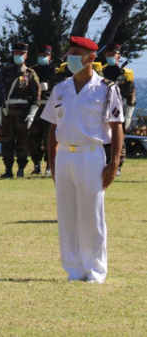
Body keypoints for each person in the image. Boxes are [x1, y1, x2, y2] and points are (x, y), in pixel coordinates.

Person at [41, 36, 123, 284]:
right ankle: (74, 270)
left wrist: (114, 163)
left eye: (76, 52)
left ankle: (96, 271)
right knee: (67, 215)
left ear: (91, 57)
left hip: (91, 154)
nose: (71, 57)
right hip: (65, 155)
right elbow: (52, 128)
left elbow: (117, 126)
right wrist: (53, 163)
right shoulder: (61, 88)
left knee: (92, 216)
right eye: (70, 52)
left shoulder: (107, 88)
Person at [0, 43, 41, 178]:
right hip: (8, 111)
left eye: (20, 54)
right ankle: (8, 169)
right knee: (6, 141)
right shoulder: (6, 71)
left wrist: (31, 114)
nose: (17, 56)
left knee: (22, 141)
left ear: (26, 56)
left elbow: (36, 96)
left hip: (23, 112)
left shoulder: (30, 74)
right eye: (15, 53)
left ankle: (21, 169)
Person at [102, 43, 136, 176]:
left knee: (118, 138)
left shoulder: (124, 74)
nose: (110, 57)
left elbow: (131, 94)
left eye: (113, 55)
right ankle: (104, 162)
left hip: (119, 109)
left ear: (118, 56)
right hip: (103, 107)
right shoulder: (100, 71)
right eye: (108, 54)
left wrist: (129, 114)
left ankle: (118, 165)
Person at [29, 45, 56, 175]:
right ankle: (36, 164)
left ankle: (49, 166)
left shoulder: (55, 71)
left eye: (44, 56)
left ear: (49, 57)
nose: (42, 58)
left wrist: (49, 86)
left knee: (49, 137)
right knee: (34, 137)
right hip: (36, 106)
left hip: (50, 106)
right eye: (40, 56)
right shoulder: (32, 70)